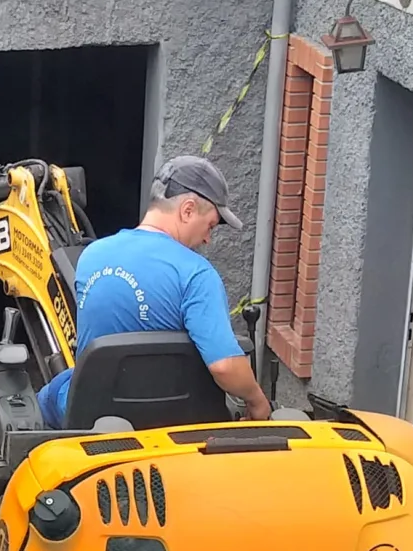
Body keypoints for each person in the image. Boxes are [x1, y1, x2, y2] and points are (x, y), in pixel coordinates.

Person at [36, 155, 273, 425]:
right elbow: (224, 365)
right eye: (210, 225)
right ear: (187, 210)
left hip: (93, 418)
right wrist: (257, 401)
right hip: (173, 421)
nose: (207, 238)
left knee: (44, 397)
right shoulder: (197, 274)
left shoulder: (90, 257)